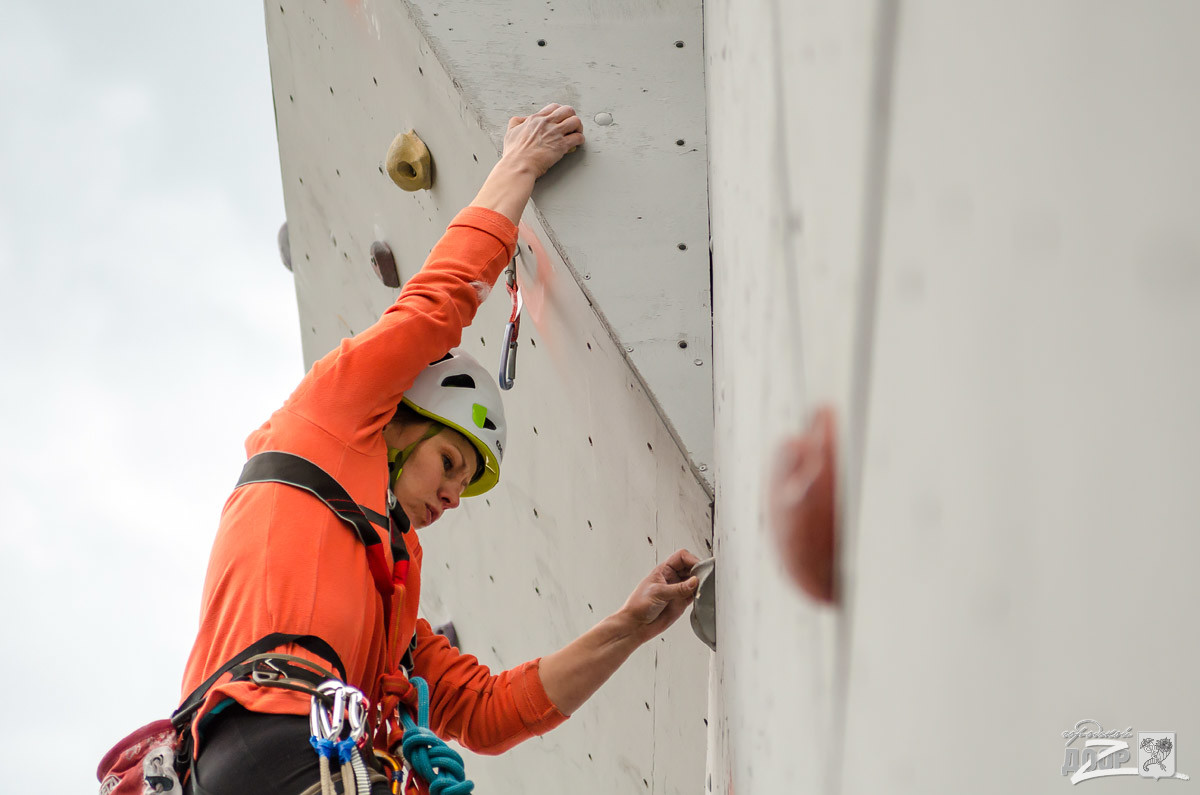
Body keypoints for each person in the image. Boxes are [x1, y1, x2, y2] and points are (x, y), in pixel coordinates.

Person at [179, 103, 702, 795]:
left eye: (465, 485)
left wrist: (630, 626)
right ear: (399, 417)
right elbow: (436, 304)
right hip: (267, 744)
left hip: (309, 763)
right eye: (451, 462)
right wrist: (518, 164)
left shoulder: (390, 611)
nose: (453, 495)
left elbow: (490, 711)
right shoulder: (327, 422)